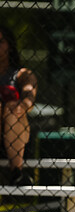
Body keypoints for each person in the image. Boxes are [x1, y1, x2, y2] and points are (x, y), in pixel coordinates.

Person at [0, 25, 37, 185]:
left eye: (0, 41)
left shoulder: (21, 74)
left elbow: (29, 96)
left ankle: (17, 171)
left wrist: (21, 106)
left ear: (9, 45)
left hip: (16, 134)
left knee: (12, 107)